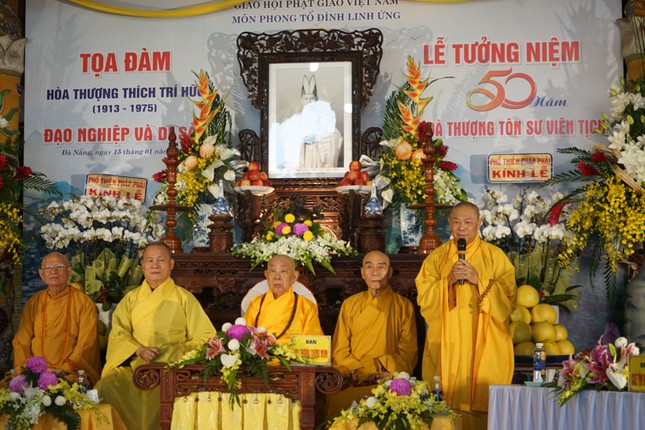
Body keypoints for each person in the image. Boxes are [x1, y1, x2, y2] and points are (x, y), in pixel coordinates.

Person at [416, 202, 516, 425]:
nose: (462, 227)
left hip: (484, 340)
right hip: (448, 339)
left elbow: (509, 298)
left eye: (468, 222)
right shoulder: (437, 258)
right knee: (444, 406)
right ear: (449, 223)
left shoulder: (494, 256)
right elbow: (424, 298)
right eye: (457, 222)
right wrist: (447, 282)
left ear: (479, 223)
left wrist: (478, 280)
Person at [96, 241, 215, 430]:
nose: (155, 265)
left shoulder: (184, 298)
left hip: (173, 368)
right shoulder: (131, 299)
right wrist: (138, 349)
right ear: (142, 265)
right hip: (136, 366)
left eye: (161, 260)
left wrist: (175, 352)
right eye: (150, 260)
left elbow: (206, 336)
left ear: (171, 264)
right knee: (107, 385)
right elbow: (118, 334)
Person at [326, 250, 418, 418]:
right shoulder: (349, 304)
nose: (375, 272)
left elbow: (409, 351)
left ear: (390, 272)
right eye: (369, 267)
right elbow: (339, 350)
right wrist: (359, 372)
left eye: (381, 267)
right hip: (355, 378)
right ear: (363, 273)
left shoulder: (404, 306)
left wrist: (384, 371)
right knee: (335, 400)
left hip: (388, 378)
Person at [12, 252, 101, 385]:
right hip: (35, 373)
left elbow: (87, 343)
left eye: (59, 266)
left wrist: (63, 370)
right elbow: (21, 341)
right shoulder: (33, 303)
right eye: (48, 267)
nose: (53, 271)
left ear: (69, 271)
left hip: (70, 372)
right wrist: (32, 370)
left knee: (70, 386)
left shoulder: (83, 302)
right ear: (42, 274)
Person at [244, 254, 323, 343]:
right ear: (266, 275)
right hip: (260, 351)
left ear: (294, 276)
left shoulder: (306, 307)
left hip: (293, 352)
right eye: (272, 271)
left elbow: (315, 343)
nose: (277, 277)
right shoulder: (256, 303)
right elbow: (245, 339)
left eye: (283, 271)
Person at [274, 74, 344, 170]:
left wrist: (318, 137)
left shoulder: (322, 119)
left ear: (316, 101)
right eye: (306, 99)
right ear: (302, 100)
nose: (309, 102)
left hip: (317, 162)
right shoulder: (294, 120)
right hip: (299, 164)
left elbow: (336, 135)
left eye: (312, 99)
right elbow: (283, 135)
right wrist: (299, 138)